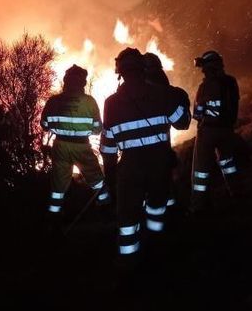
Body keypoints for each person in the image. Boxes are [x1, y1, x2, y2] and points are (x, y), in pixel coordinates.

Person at [100, 49, 190, 259]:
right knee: (156, 210)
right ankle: (156, 249)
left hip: (129, 169)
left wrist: (111, 175)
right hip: (159, 166)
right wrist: (180, 99)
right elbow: (183, 123)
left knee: (127, 220)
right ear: (143, 68)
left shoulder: (111, 103)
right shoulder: (163, 94)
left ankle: (129, 263)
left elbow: (108, 146)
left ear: (120, 72)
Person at [41, 65, 110, 229]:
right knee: (96, 178)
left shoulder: (53, 101)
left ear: (66, 81)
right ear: (83, 82)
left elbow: (44, 125)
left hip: (60, 146)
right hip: (82, 146)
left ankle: (54, 218)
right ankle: (106, 209)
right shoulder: (89, 101)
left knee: (58, 185)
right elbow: (98, 129)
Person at [189, 50, 241, 213]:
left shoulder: (204, 87)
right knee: (228, 164)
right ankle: (237, 194)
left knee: (200, 171)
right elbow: (234, 106)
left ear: (208, 68)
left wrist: (202, 115)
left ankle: (198, 206)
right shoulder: (231, 82)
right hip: (227, 130)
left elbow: (197, 114)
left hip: (208, 132)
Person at [141, 52, 191, 212]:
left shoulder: (124, 98)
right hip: (160, 157)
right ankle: (171, 217)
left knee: (144, 196)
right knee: (165, 193)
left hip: (135, 160)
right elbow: (182, 123)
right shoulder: (168, 94)